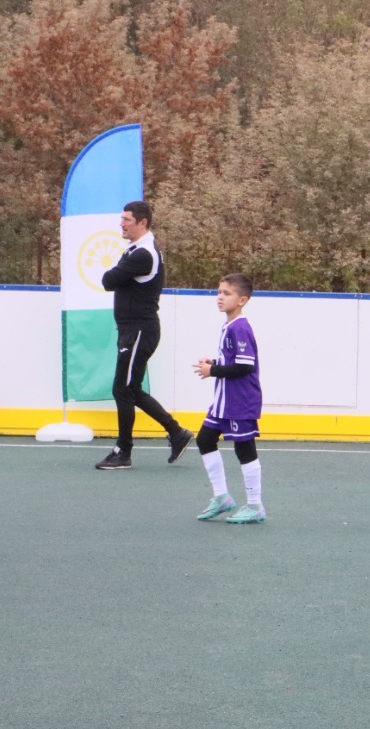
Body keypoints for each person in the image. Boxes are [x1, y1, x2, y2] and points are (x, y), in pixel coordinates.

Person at [94, 200, 194, 470]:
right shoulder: (136, 250)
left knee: (122, 389)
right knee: (132, 389)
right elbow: (113, 280)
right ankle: (177, 433)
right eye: (122, 218)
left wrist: (116, 274)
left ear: (143, 223)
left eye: (127, 219)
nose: (121, 224)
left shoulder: (143, 254)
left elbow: (108, 281)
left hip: (139, 330)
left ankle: (123, 451)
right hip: (133, 330)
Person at [191, 274, 265, 524]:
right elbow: (233, 361)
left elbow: (245, 366)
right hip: (224, 401)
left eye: (227, 293)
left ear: (242, 300)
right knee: (205, 439)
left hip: (239, 401)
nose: (220, 297)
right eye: (219, 292)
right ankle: (222, 497)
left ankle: (255, 505)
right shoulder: (229, 325)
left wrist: (213, 370)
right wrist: (215, 362)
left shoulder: (240, 328)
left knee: (244, 448)